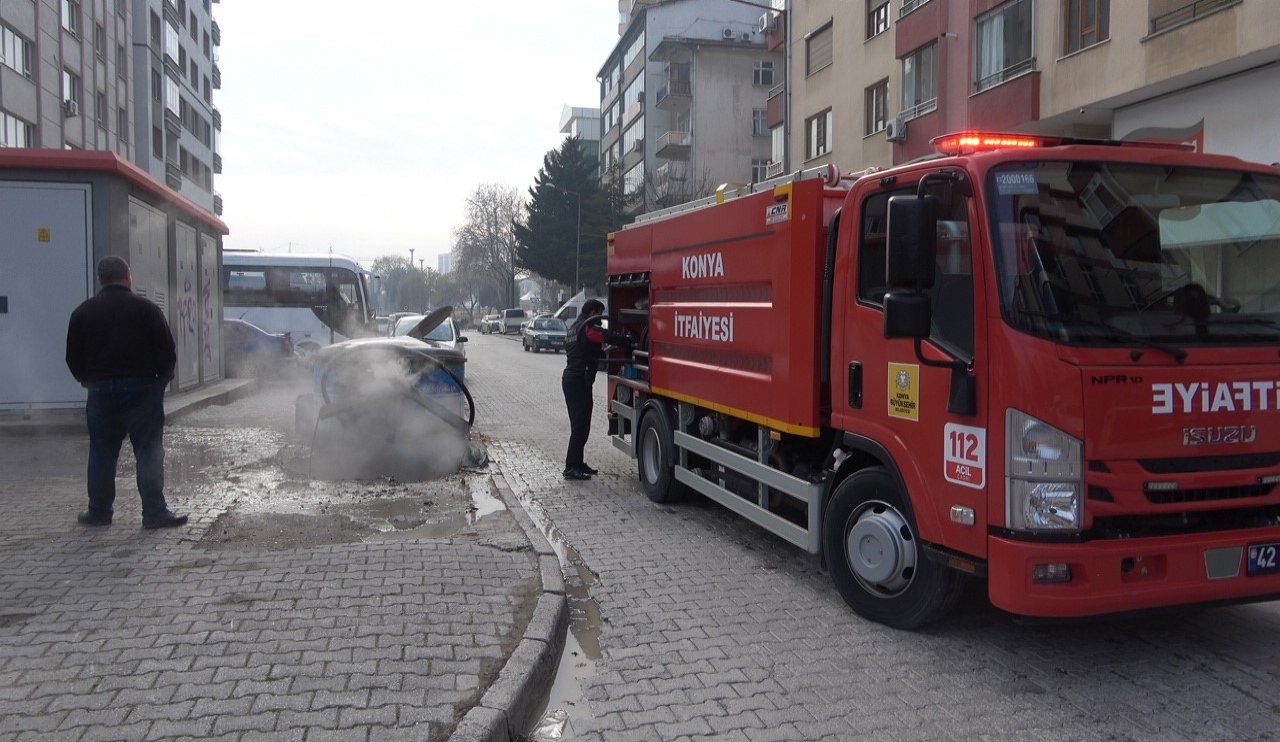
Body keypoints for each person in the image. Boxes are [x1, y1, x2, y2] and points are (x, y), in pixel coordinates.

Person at [65, 256, 187, 529]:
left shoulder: (83, 312)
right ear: (128, 276)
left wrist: (88, 381)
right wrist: (159, 384)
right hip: (142, 390)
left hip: (100, 392)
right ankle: (154, 513)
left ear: (100, 279)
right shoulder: (147, 310)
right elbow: (167, 354)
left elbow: (72, 357)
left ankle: (98, 512)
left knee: (102, 453)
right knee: (148, 451)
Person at [561, 299, 630, 480]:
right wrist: (626, 341)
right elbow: (602, 336)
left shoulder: (575, 326)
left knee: (582, 424)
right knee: (579, 425)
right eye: (599, 314)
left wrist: (604, 351)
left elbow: (587, 349)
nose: (600, 319)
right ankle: (571, 467)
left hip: (575, 379)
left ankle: (578, 462)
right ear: (593, 312)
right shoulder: (587, 326)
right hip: (577, 380)